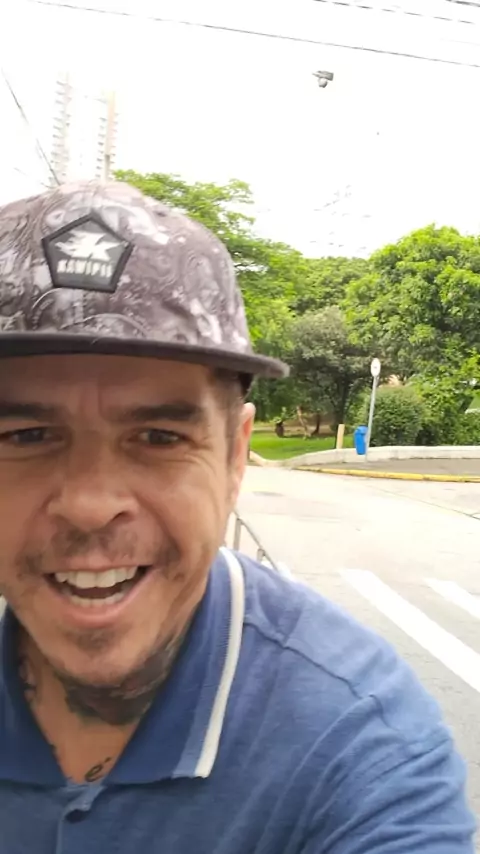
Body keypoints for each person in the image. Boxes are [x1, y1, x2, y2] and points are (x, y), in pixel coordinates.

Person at [0, 180, 475, 854]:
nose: (90, 505)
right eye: (25, 436)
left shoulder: (359, 738)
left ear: (233, 457)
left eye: (159, 437)